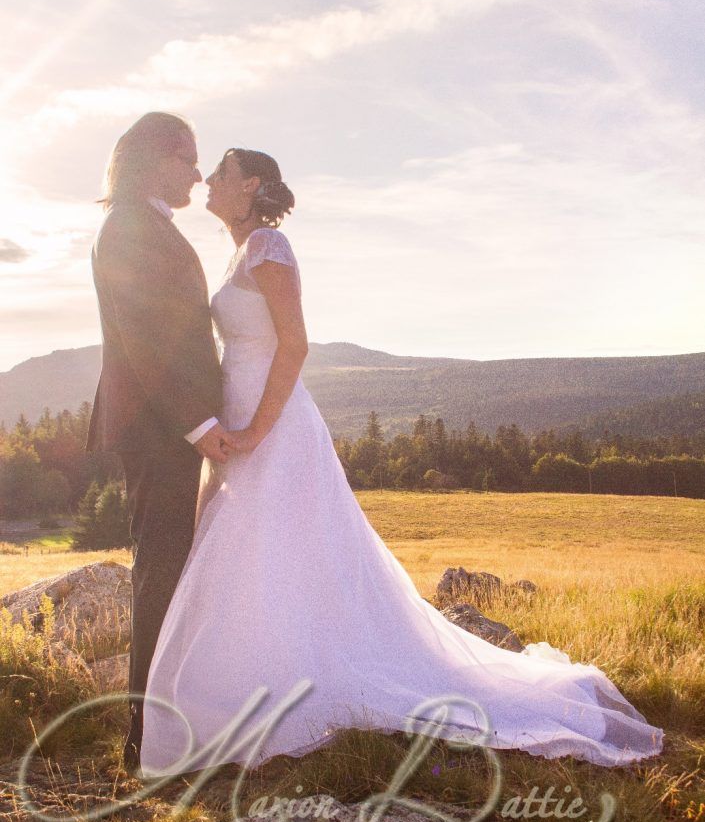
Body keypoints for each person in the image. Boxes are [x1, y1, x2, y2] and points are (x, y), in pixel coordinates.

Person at [139, 147, 664, 776]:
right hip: (238, 421)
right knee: (255, 552)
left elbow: (295, 345)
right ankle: (247, 689)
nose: (207, 182)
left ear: (250, 184)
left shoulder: (268, 250)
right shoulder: (237, 252)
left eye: (220, 173)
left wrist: (254, 431)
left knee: (272, 546)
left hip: (270, 425)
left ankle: (282, 692)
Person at [87, 113, 238, 770]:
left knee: (170, 566)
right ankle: (145, 738)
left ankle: (163, 724)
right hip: (156, 429)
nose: (198, 173)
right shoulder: (127, 228)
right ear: (157, 159)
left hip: (161, 425)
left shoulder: (144, 224)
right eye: (189, 158)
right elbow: (147, 336)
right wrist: (199, 423)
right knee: (161, 569)